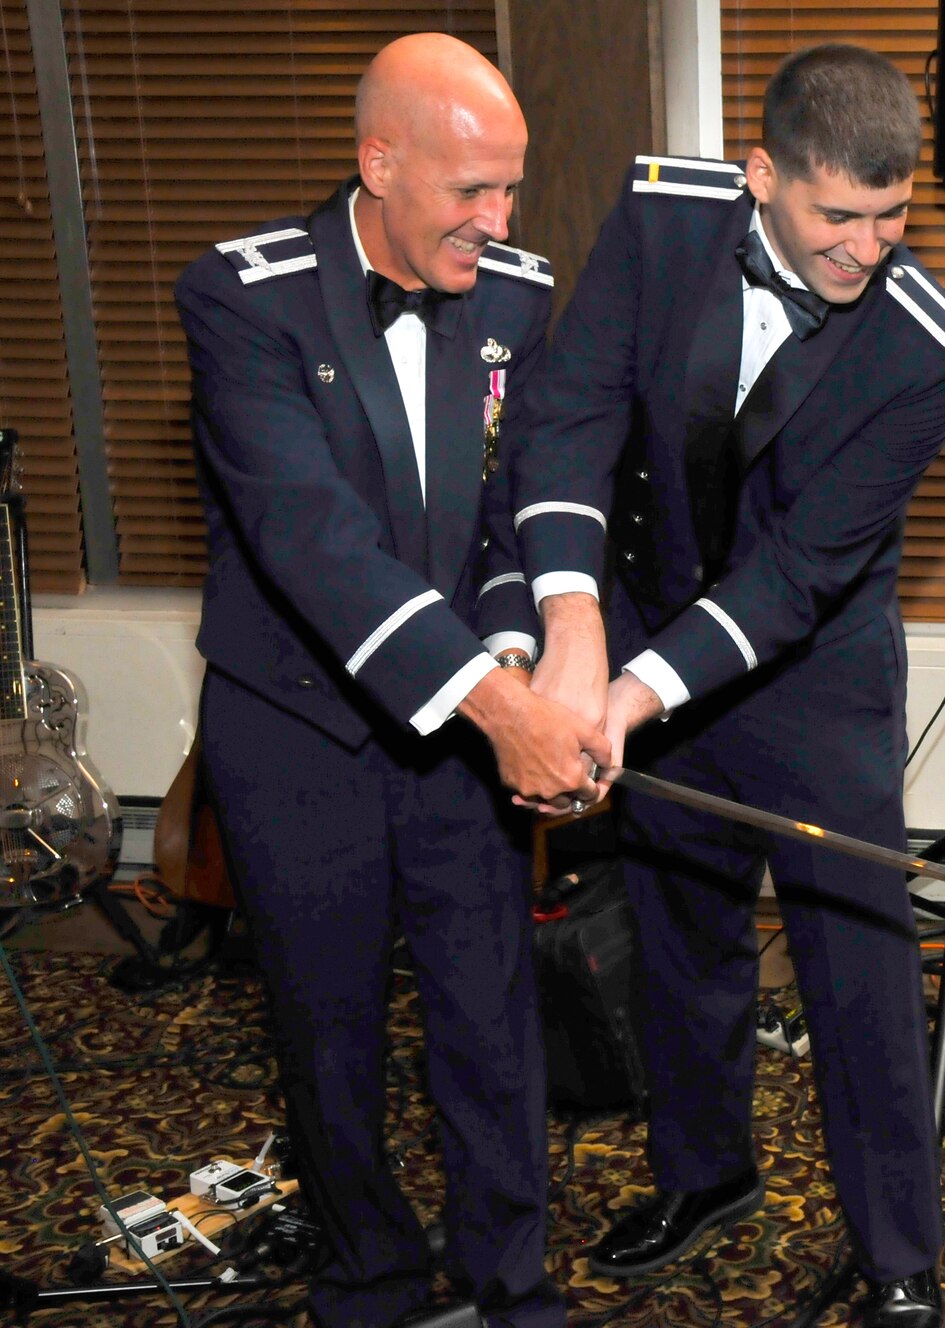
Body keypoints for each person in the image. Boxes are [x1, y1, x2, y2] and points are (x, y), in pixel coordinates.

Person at [507, 43, 945, 1328]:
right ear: (761, 174)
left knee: (858, 974)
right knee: (679, 938)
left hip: (811, 686)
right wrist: (575, 629)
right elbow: (567, 418)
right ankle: (705, 1176)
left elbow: (797, 574)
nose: (866, 247)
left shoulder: (926, 350)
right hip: (640, 637)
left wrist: (632, 692)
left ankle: (899, 1251)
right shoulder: (664, 223)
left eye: (892, 217)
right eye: (837, 214)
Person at [174, 32, 601, 1328]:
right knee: (328, 1029)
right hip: (293, 726)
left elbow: (504, 516)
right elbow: (313, 543)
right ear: (379, 162)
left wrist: (519, 655)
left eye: (513, 188)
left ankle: (509, 1280)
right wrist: (499, 704)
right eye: (473, 190)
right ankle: (370, 1278)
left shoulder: (516, 295)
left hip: (461, 725)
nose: (501, 218)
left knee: (491, 1013)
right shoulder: (242, 297)